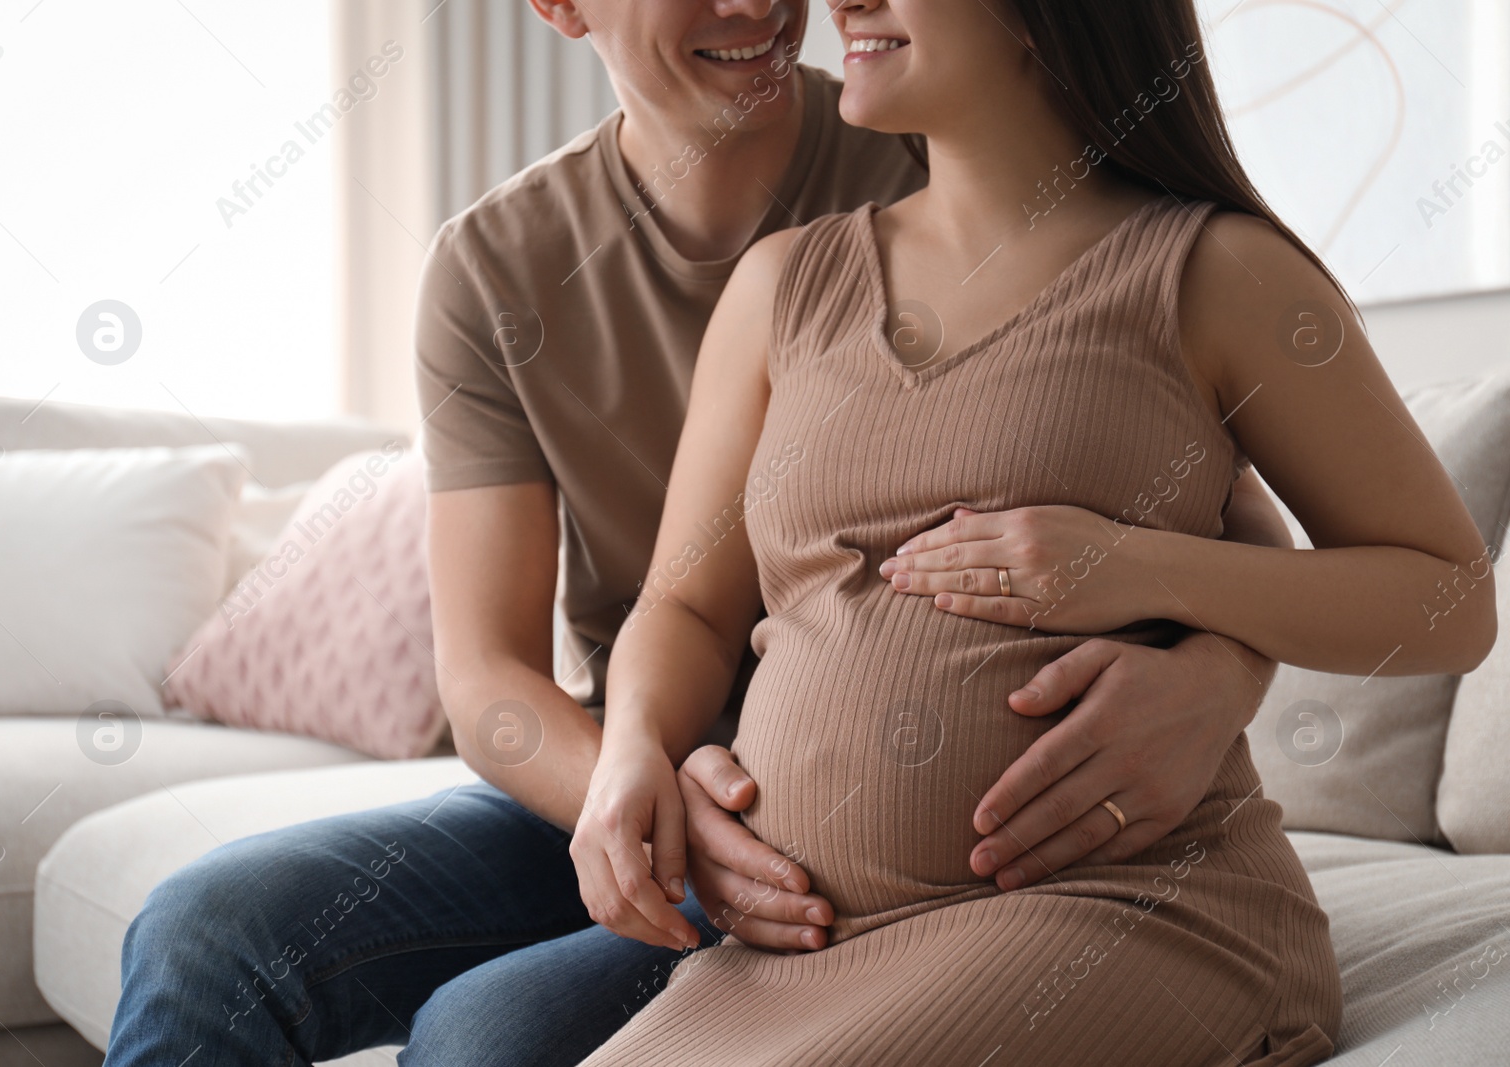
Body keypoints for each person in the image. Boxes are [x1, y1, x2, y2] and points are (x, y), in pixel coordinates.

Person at [102, 3, 1301, 1065]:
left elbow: (1220, 512)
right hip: (631, 771)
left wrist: (1214, 676)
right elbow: (488, 676)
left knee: (480, 1037)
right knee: (204, 930)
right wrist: (645, 800)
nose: (759, 4)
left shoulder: (951, 138)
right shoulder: (494, 266)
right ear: (560, 6)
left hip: (868, 830)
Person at [566, 0, 1495, 1064]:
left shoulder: (1217, 273)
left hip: (1115, 909)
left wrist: (1137, 567)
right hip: (794, 950)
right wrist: (634, 748)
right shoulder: (781, 287)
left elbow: (1448, 600)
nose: (843, 2)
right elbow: (683, 602)